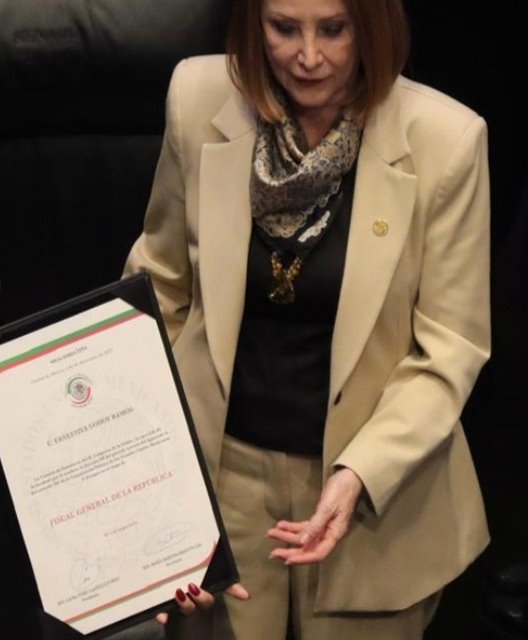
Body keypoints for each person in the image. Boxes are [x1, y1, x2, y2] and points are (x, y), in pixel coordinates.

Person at [124, 0, 490, 637]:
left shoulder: (447, 141)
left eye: (334, 29)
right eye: (284, 28)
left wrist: (359, 476)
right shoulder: (196, 97)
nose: (309, 56)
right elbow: (159, 286)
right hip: (224, 473)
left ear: (372, 27)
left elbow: (449, 349)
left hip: (375, 486)